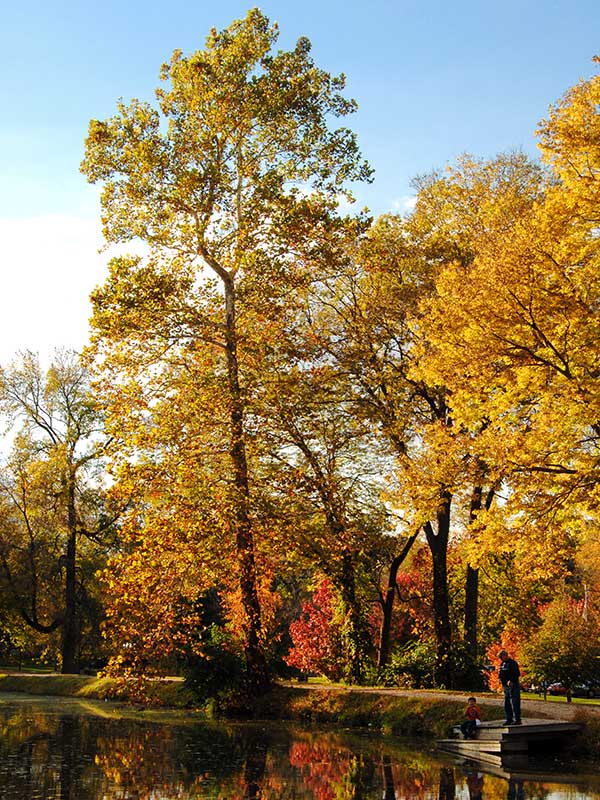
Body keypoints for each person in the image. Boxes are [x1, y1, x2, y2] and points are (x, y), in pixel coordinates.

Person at [498, 649, 521, 725]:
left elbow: (517, 673)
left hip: (513, 685)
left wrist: (511, 680)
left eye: (501, 657)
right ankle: (509, 719)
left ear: (505, 655)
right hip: (505, 686)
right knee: (507, 704)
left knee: (514, 703)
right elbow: (501, 673)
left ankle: (517, 719)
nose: (501, 659)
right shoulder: (502, 664)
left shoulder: (512, 663)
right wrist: (500, 679)